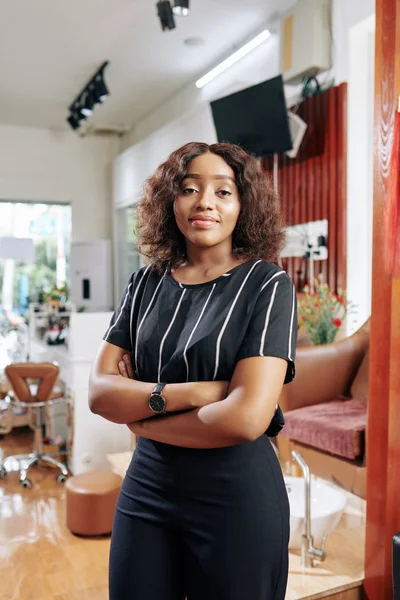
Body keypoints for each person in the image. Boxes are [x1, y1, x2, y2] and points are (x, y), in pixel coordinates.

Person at [89, 141, 297, 600]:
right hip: (147, 489)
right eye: (189, 189)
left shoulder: (267, 285)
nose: (205, 202)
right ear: (171, 202)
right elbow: (100, 393)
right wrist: (200, 394)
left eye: (223, 192)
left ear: (244, 207)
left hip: (236, 498)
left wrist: (140, 414)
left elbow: (245, 420)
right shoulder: (145, 281)